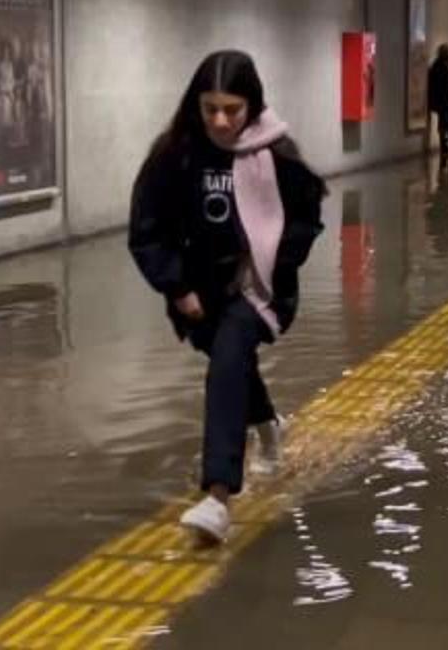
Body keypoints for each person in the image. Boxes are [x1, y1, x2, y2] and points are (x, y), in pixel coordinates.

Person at [128, 50, 326, 545]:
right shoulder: (174, 155)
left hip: (259, 288)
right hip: (198, 291)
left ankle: (217, 496)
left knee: (228, 357)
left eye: (232, 110)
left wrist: (270, 264)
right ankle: (269, 425)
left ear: (251, 105)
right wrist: (177, 287)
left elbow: (306, 217)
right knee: (229, 359)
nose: (220, 121)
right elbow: (147, 230)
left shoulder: (276, 154)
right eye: (210, 109)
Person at [428, 43, 448, 153]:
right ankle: (447, 144)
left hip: (446, 96)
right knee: (446, 120)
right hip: (442, 97)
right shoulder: (438, 66)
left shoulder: (445, 64)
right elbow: (441, 82)